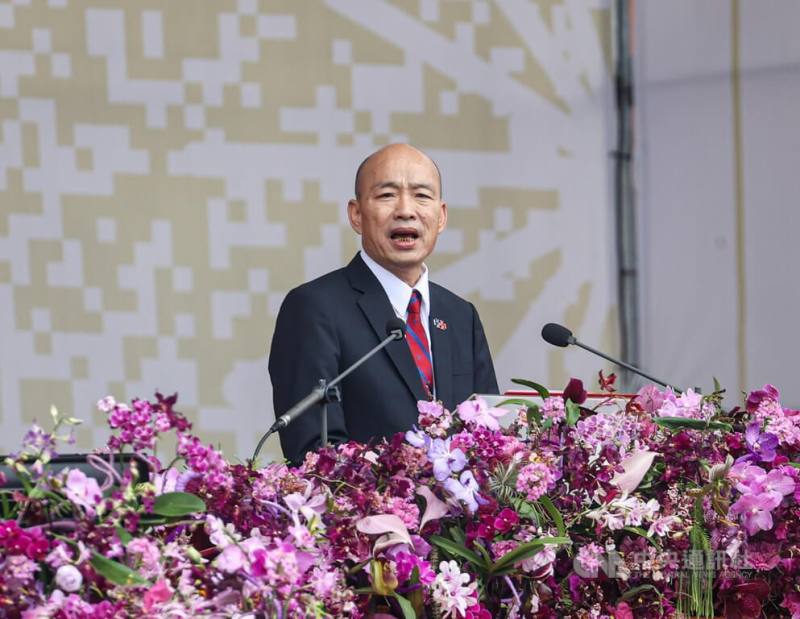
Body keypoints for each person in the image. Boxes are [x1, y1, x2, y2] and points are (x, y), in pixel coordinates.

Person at [269, 144, 498, 464]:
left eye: (422, 195)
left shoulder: (460, 316)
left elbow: (490, 439)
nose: (406, 210)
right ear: (356, 214)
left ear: (442, 216)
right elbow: (314, 451)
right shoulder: (314, 308)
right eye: (387, 195)